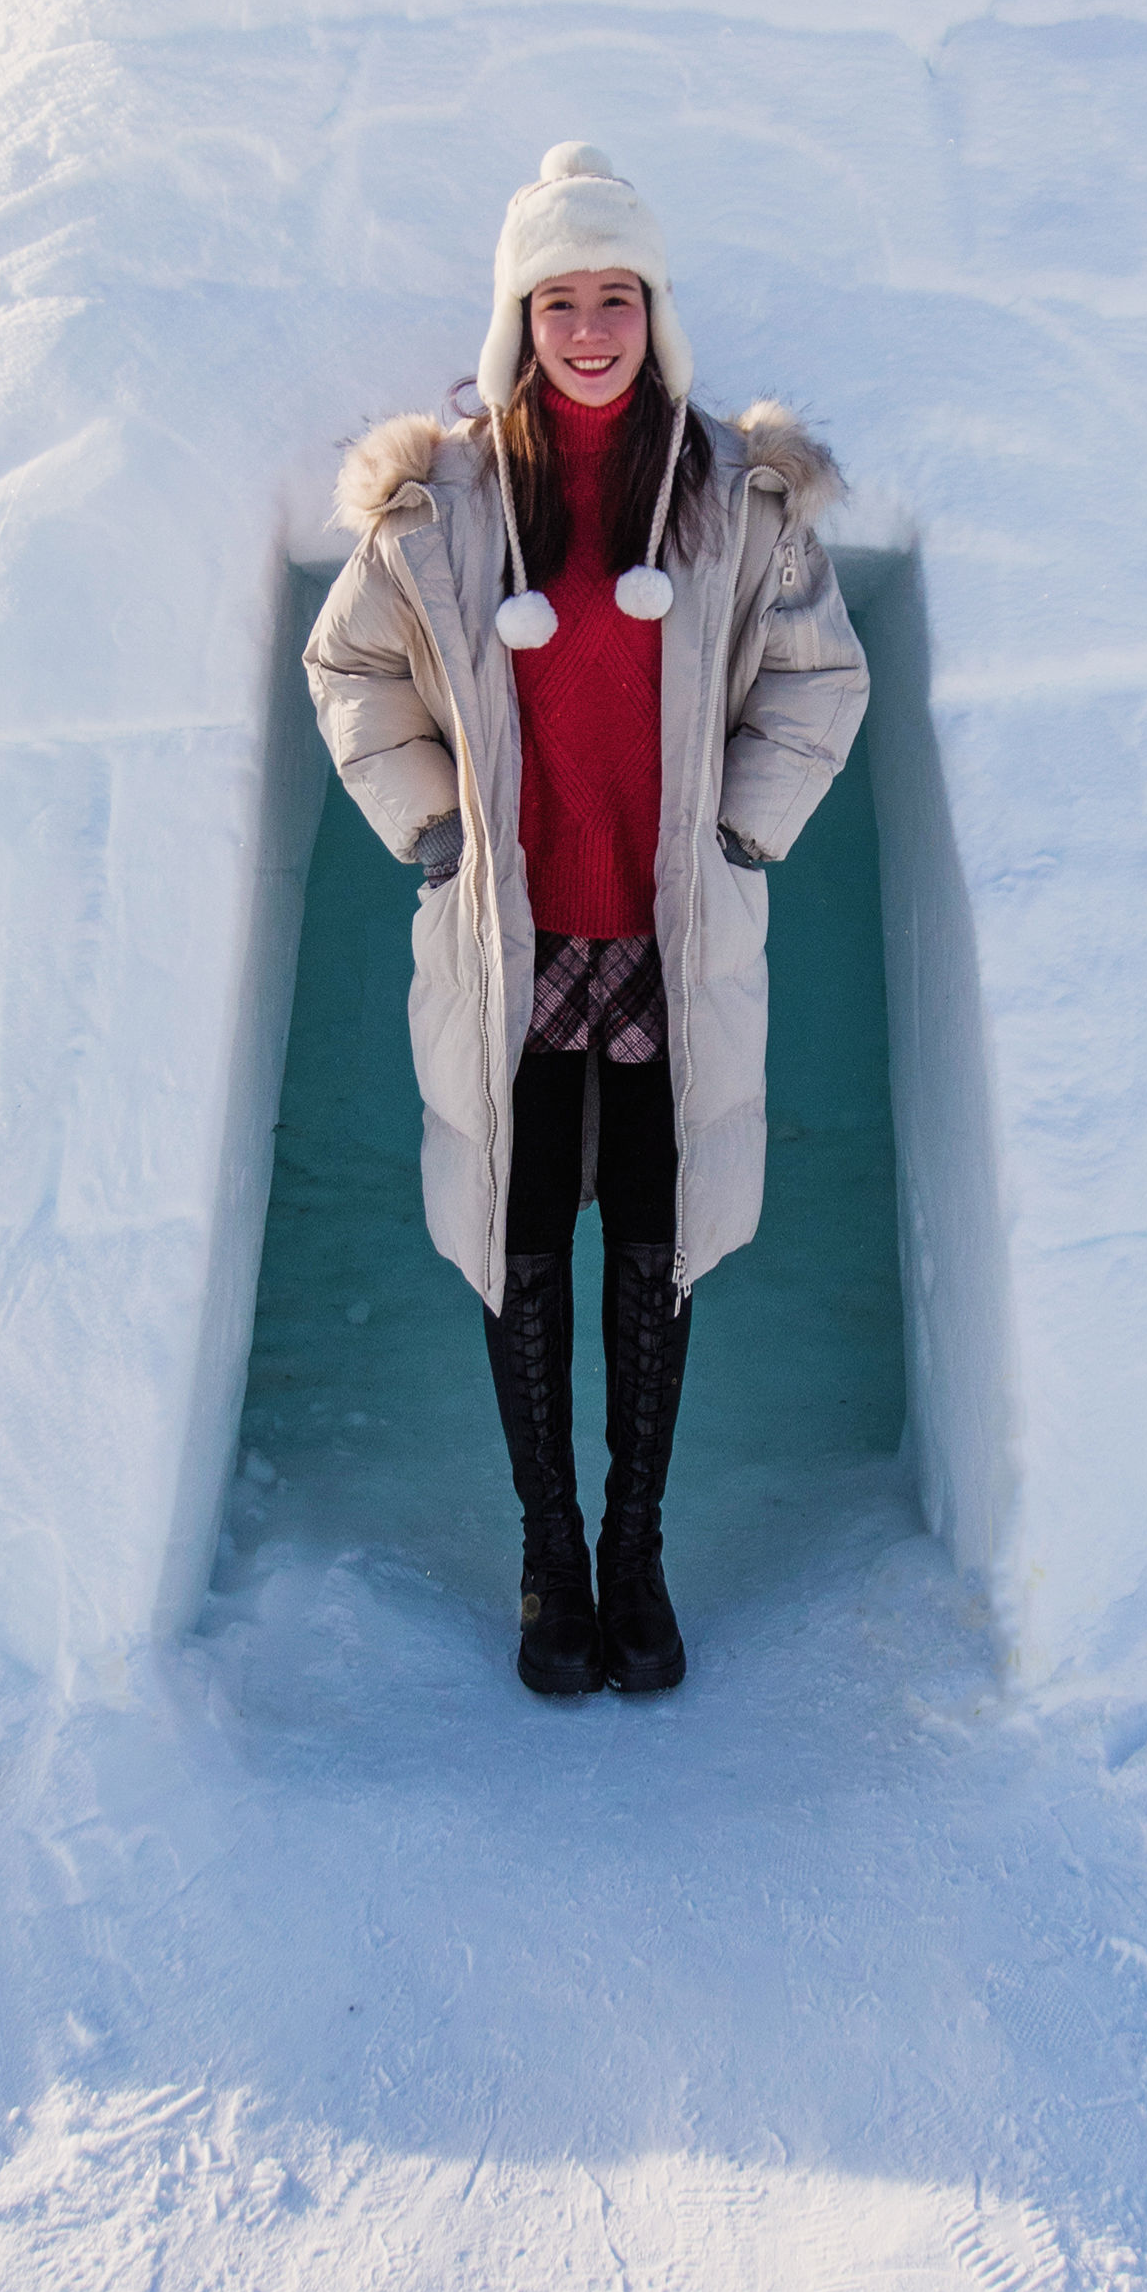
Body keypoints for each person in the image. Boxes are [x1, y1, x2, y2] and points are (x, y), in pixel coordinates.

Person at [305, 143, 870, 1697]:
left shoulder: (724, 495)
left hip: (666, 942)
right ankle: (548, 1556)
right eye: (560, 300)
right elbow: (349, 669)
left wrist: (743, 832)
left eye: (613, 296)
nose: (589, 327)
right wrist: (431, 829)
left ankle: (636, 1551)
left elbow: (819, 676)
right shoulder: (454, 501)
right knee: (523, 1239)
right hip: (517, 943)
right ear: (521, 316)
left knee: (651, 1248)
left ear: (651, 310)